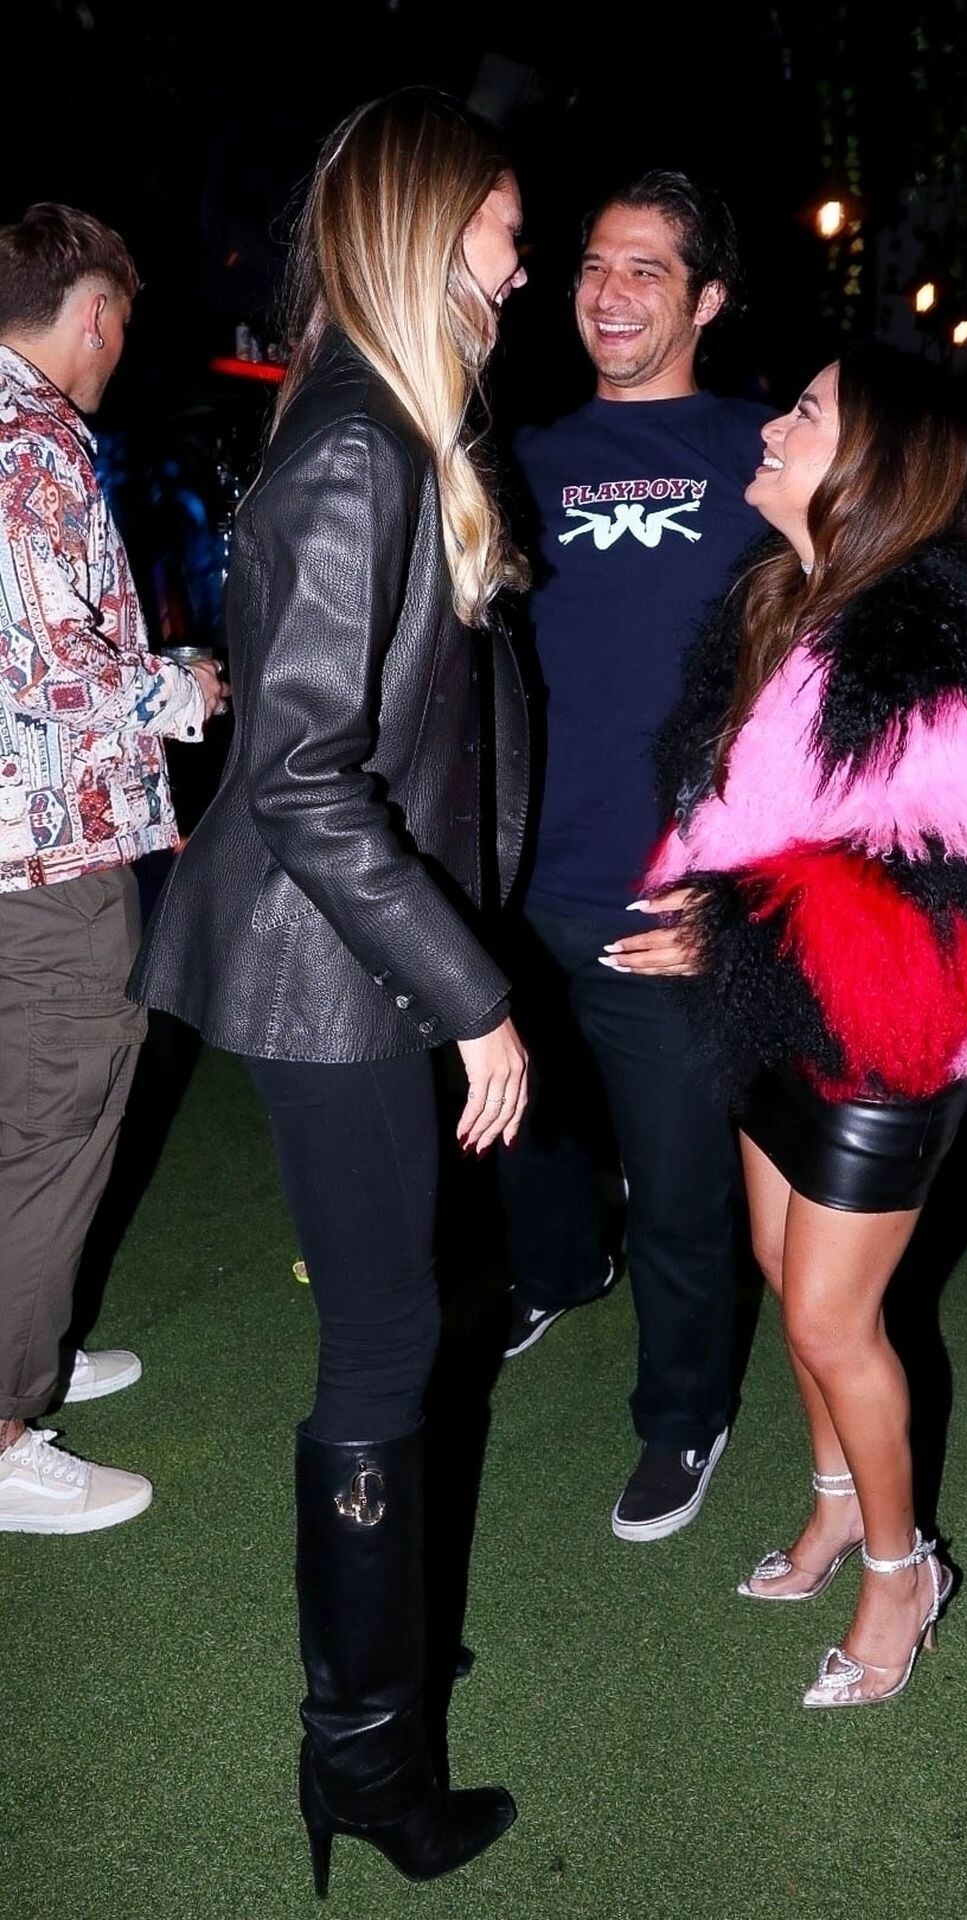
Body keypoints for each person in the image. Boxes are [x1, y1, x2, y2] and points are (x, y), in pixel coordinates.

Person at [130, 90, 531, 1890]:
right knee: (384, 1340)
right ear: (429, 231)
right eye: (505, 233)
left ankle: (381, 1656)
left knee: (401, 1327)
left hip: (357, 959)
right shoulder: (360, 441)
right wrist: (474, 995)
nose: (520, 267)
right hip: (339, 972)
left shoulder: (385, 421)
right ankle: (364, 1759)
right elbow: (301, 778)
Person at [613, 348, 967, 1704]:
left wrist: (733, 923)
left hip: (890, 1032)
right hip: (779, 1016)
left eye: (805, 412)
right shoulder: (781, 599)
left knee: (829, 1317)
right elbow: (740, 816)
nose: (772, 424)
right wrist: (709, 909)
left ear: (875, 465)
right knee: (780, 1270)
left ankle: (900, 1569)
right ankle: (829, 1507)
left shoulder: (934, 644)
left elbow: (952, 902)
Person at [497, 171, 770, 1542]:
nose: (608, 293)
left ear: (706, 298)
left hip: (671, 894)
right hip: (509, 880)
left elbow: (827, 682)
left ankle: (683, 1414)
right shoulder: (522, 457)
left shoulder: (766, 452)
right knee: (518, 1124)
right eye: (594, 265)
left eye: (646, 269)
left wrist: (755, 889)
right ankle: (558, 1267)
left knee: (678, 1184)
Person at [0, 204, 224, 1535]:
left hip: (26, 842)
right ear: (93, 311)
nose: (121, 347)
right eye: (123, 323)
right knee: (49, 1132)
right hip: (41, 864)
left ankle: (25, 1336)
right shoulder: (30, 442)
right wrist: (185, 693)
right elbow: (57, 671)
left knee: (18, 1127)